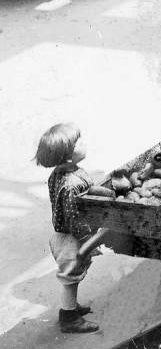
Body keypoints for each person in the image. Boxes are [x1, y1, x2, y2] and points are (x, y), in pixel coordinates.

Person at [36, 123, 100, 334]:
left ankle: (70, 306)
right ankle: (69, 317)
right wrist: (89, 241)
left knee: (73, 276)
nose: (84, 142)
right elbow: (74, 220)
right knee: (70, 279)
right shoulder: (71, 184)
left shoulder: (61, 173)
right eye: (78, 141)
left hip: (64, 236)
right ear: (69, 156)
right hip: (71, 239)